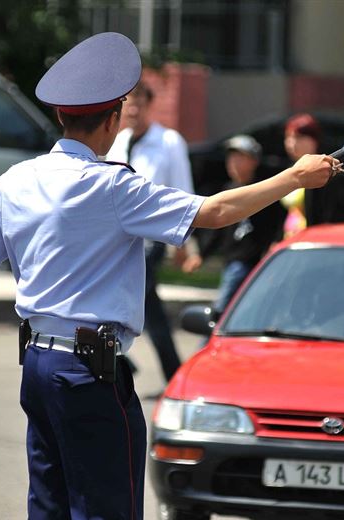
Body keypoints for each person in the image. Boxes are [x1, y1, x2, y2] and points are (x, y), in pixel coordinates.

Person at [0, 32, 337, 520]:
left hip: (39, 368)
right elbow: (215, 211)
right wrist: (293, 178)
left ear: (59, 116)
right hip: (88, 373)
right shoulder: (111, 186)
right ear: (113, 120)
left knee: (49, 506)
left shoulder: (14, 182)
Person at [105, 81, 193, 383]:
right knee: (139, 304)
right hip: (117, 238)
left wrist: (183, 244)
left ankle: (168, 373)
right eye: (127, 102)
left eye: (138, 101)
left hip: (151, 238)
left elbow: (183, 190)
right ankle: (130, 362)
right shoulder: (117, 141)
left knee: (141, 302)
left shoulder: (168, 142)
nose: (132, 108)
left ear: (148, 104)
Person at [182, 135, 287, 315]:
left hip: (253, 261)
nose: (233, 163)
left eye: (240, 158)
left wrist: (276, 242)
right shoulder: (228, 191)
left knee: (224, 310)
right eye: (231, 158)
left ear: (254, 161)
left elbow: (278, 221)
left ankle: (209, 338)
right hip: (232, 261)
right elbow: (217, 229)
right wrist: (201, 254)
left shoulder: (263, 191)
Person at [282, 113, 321, 236]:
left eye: (298, 137)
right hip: (290, 240)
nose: (291, 143)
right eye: (288, 137)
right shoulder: (290, 169)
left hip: (311, 241)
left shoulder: (322, 171)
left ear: (314, 141)